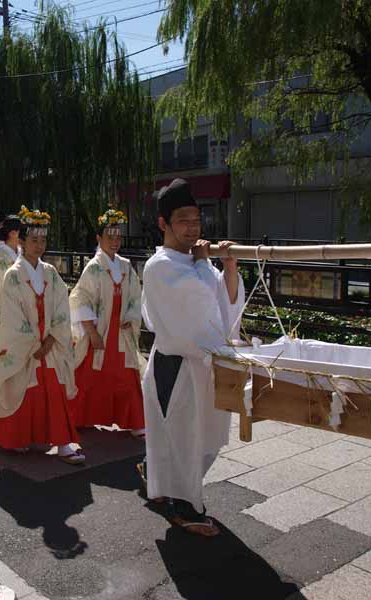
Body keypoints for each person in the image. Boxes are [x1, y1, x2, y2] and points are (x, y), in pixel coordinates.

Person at [140, 178, 244, 537]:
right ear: (163, 224)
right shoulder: (161, 265)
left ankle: (157, 476)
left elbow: (223, 304)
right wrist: (204, 264)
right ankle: (186, 508)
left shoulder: (195, 263)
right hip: (177, 365)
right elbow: (199, 305)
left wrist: (228, 269)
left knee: (203, 436)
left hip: (204, 364)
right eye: (183, 220)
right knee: (184, 437)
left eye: (196, 220)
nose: (192, 228)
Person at [0, 206, 84, 464]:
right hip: (25, 348)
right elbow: (9, 316)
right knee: (25, 391)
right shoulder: (13, 275)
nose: (39, 246)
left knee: (54, 390)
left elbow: (62, 306)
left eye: (43, 240)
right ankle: (20, 438)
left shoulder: (50, 272)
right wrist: (32, 343)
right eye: (33, 240)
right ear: (22, 241)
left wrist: (51, 339)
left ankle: (63, 443)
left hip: (49, 345)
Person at [70, 208, 145, 438]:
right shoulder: (93, 267)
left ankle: (134, 421)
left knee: (125, 376)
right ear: (99, 239)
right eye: (109, 237)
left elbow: (135, 296)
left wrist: (131, 316)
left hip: (121, 330)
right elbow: (80, 298)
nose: (114, 242)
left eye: (118, 237)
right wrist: (91, 332)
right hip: (100, 330)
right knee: (91, 377)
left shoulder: (125, 266)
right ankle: (79, 417)